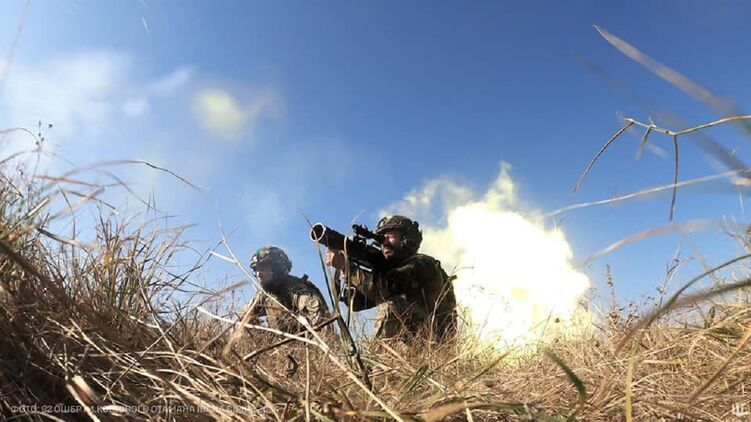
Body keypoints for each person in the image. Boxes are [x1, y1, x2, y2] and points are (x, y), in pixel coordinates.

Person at [326, 215, 457, 340]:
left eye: (390, 236)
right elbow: (357, 304)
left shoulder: (422, 263)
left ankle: (376, 356)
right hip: (412, 338)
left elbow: (385, 289)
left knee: (391, 306)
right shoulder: (390, 270)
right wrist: (344, 273)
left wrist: (347, 268)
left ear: (407, 239)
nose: (384, 242)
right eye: (382, 238)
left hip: (436, 336)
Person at [242, 246, 328, 334]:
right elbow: (242, 318)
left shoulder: (297, 289)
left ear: (277, 268)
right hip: (281, 341)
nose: (258, 274)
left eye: (262, 269)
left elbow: (322, 323)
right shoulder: (265, 294)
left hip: (307, 340)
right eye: (255, 270)